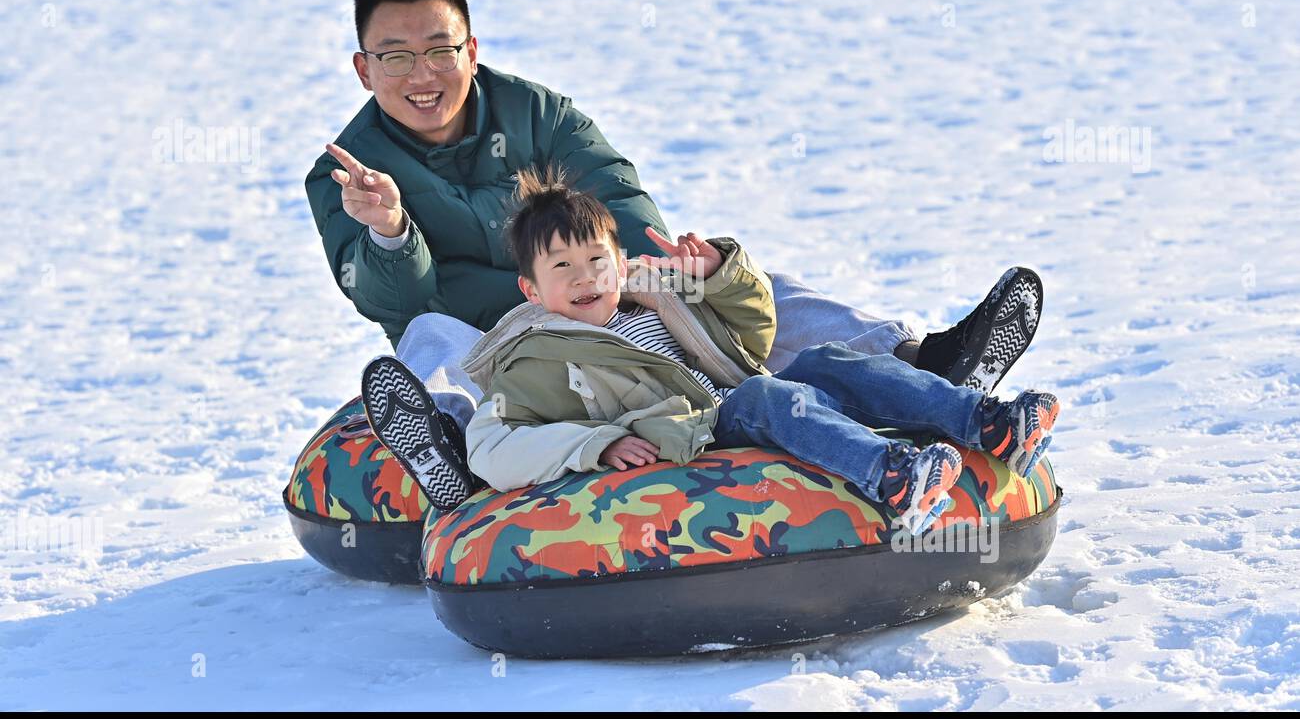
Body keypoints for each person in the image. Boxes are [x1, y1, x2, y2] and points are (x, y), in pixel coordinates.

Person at [309, 0, 1044, 489]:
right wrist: (391, 234)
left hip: (608, 286)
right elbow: (390, 302)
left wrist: (640, 274)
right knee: (425, 340)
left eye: (440, 49)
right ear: (363, 68)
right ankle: (447, 446)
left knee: (758, 287)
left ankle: (920, 359)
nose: (422, 74)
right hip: (501, 337)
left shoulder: (539, 114)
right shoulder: (344, 172)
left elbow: (618, 197)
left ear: (471, 49)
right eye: (396, 56)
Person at [362, 170, 1059, 536]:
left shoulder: (657, 300)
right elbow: (496, 443)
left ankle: (984, 421)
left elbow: (754, 337)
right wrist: (596, 445)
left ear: (619, 259)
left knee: (819, 363)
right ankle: (893, 479)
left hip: (740, 393)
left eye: (596, 261)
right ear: (531, 290)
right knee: (767, 394)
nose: (585, 280)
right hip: (691, 430)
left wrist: (717, 276)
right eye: (562, 269)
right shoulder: (535, 357)